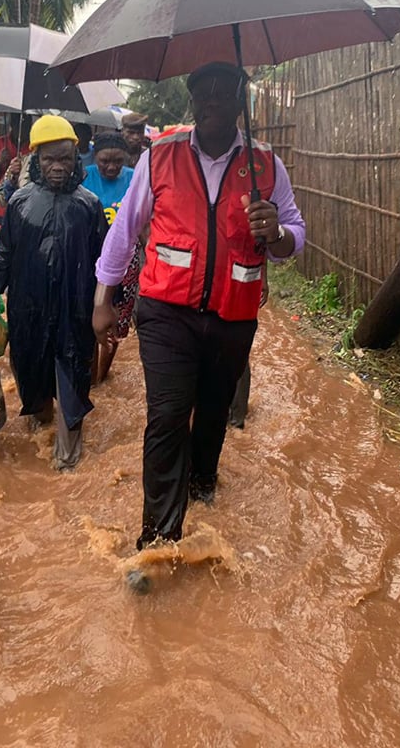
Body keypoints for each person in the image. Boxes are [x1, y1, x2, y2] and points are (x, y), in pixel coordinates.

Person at [92, 62, 306, 550]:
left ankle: (204, 481)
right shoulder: (160, 157)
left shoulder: (267, 166)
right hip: (167, 312)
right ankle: (159, 539)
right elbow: (125, 230)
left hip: (233, 316)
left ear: (239, 103)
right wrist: (103, 299)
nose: (212, 103)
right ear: (191, 100)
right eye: (203, 95)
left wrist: (276, 231)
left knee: (213, 411)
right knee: (168, 416)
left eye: (222, 95)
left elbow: (296, 236)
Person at [0, 115, 107, 471]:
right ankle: (40, 424)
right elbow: (4, 250)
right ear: (35, 159)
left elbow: (106, 260)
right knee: (30, 367)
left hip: (75, 306)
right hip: (28, 304)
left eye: (65, 158)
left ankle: (68, 457)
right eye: (49, 159)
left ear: (76, 159)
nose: (57, 166)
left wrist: (107, 304)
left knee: (72, 371)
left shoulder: (89, 205)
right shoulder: (20, 203)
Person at [82, 131, 139, 381]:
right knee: (90, 314)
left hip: (127, 260)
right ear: (95, 157)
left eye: (118, 161)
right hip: (89, 257)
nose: (112, 166)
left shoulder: (135, 179)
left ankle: (101, 378)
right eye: (105, 160)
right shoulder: (84, 177)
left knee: (117, 317)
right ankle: (90, 370)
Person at [0, 115, 32, 225]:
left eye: (26, 126)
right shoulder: (0, 143)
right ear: (12, 125)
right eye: (19, 125)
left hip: (26, 203)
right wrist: (1, 162)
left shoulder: (34, 146)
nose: (23, 130)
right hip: (2, 204)